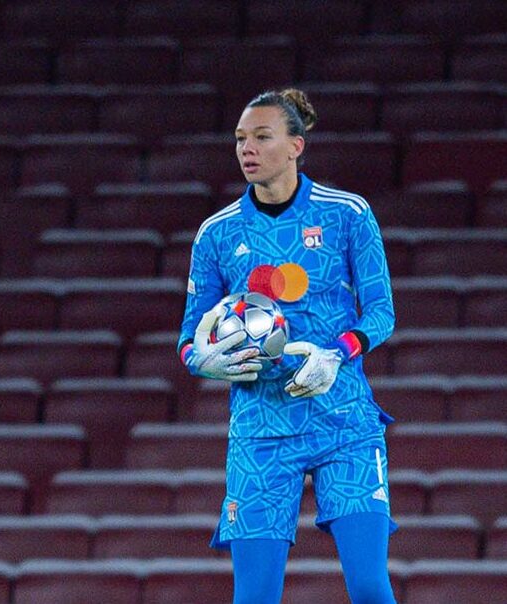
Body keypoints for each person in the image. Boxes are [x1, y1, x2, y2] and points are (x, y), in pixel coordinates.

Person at [178, 88, 397, 604]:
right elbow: (188, 339)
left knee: (368, 586)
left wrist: (336, 353)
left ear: (296, 146)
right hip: (259, 429)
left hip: (342, 418)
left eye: (261, 136)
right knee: (254, 597)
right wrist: (204, 362)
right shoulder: (216, 234)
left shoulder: (348, 213)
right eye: (239, 138)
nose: (245, 148)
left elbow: (382, 313)